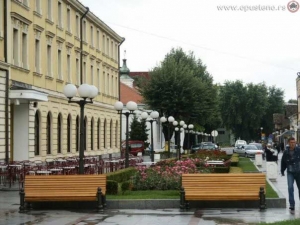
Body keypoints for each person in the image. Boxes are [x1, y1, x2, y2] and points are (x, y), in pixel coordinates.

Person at [281, 137, 300, 211]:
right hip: (290, 172)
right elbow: (283, 162)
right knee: (290, 188)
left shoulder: (299, 150)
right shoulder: (286, 152)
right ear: (288, 143)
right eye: (291, 142)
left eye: (294, 142)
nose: (293, 144)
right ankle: (292, 204)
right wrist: (282, 170)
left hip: (299, 172)